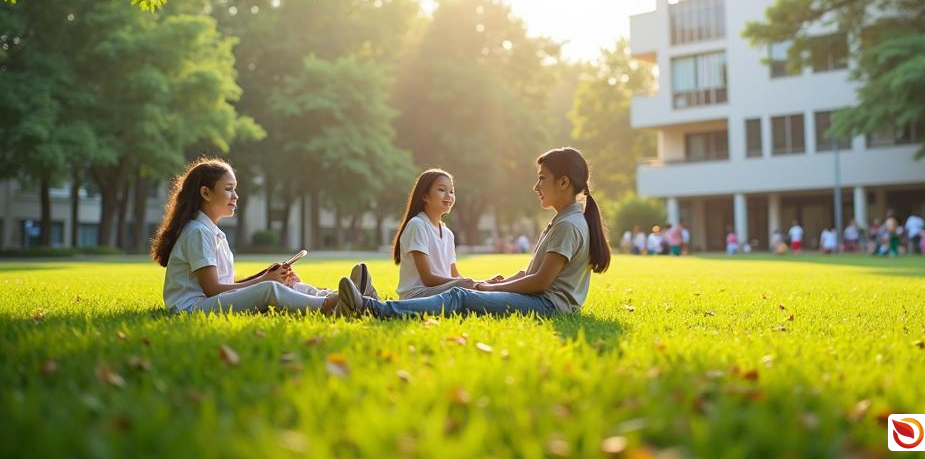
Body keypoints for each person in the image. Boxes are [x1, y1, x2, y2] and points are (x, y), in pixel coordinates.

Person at [334, 147, 612, 318]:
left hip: (548, 306)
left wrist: (489, 288)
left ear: (563, 183)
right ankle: (365, 301)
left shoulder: (568, 224)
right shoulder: (564, 221)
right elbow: (533, 276)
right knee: (464, 292)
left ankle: (371, 308)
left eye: (542, 178)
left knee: (460, 297)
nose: (535, 186)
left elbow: (540, 283)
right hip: (545, 301)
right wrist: (499, 283)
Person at [152, 157, 365, 315]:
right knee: (269, 288)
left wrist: (265, 274)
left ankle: (340, 296)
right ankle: (333, 306)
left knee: (282, 284)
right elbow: (212, 289)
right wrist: (263, 280)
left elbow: (224, 286)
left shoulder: (212, 232)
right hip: (192, 308)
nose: (235, 196)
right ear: (206, 193)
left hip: (210, 301)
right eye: (228, 189)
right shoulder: (198, 232)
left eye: (235, 189)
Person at [392, 169, 477, 299]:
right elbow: (428, 279)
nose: (448, 196)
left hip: (442, 292)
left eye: (452, 191)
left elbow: (455, 275)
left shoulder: (448, 234)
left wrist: (479, 283)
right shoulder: (417, 225)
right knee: (468, 291)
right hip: (417, 296)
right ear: (424, 195)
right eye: (442, 190)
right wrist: (464, 284)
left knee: (477, 289)